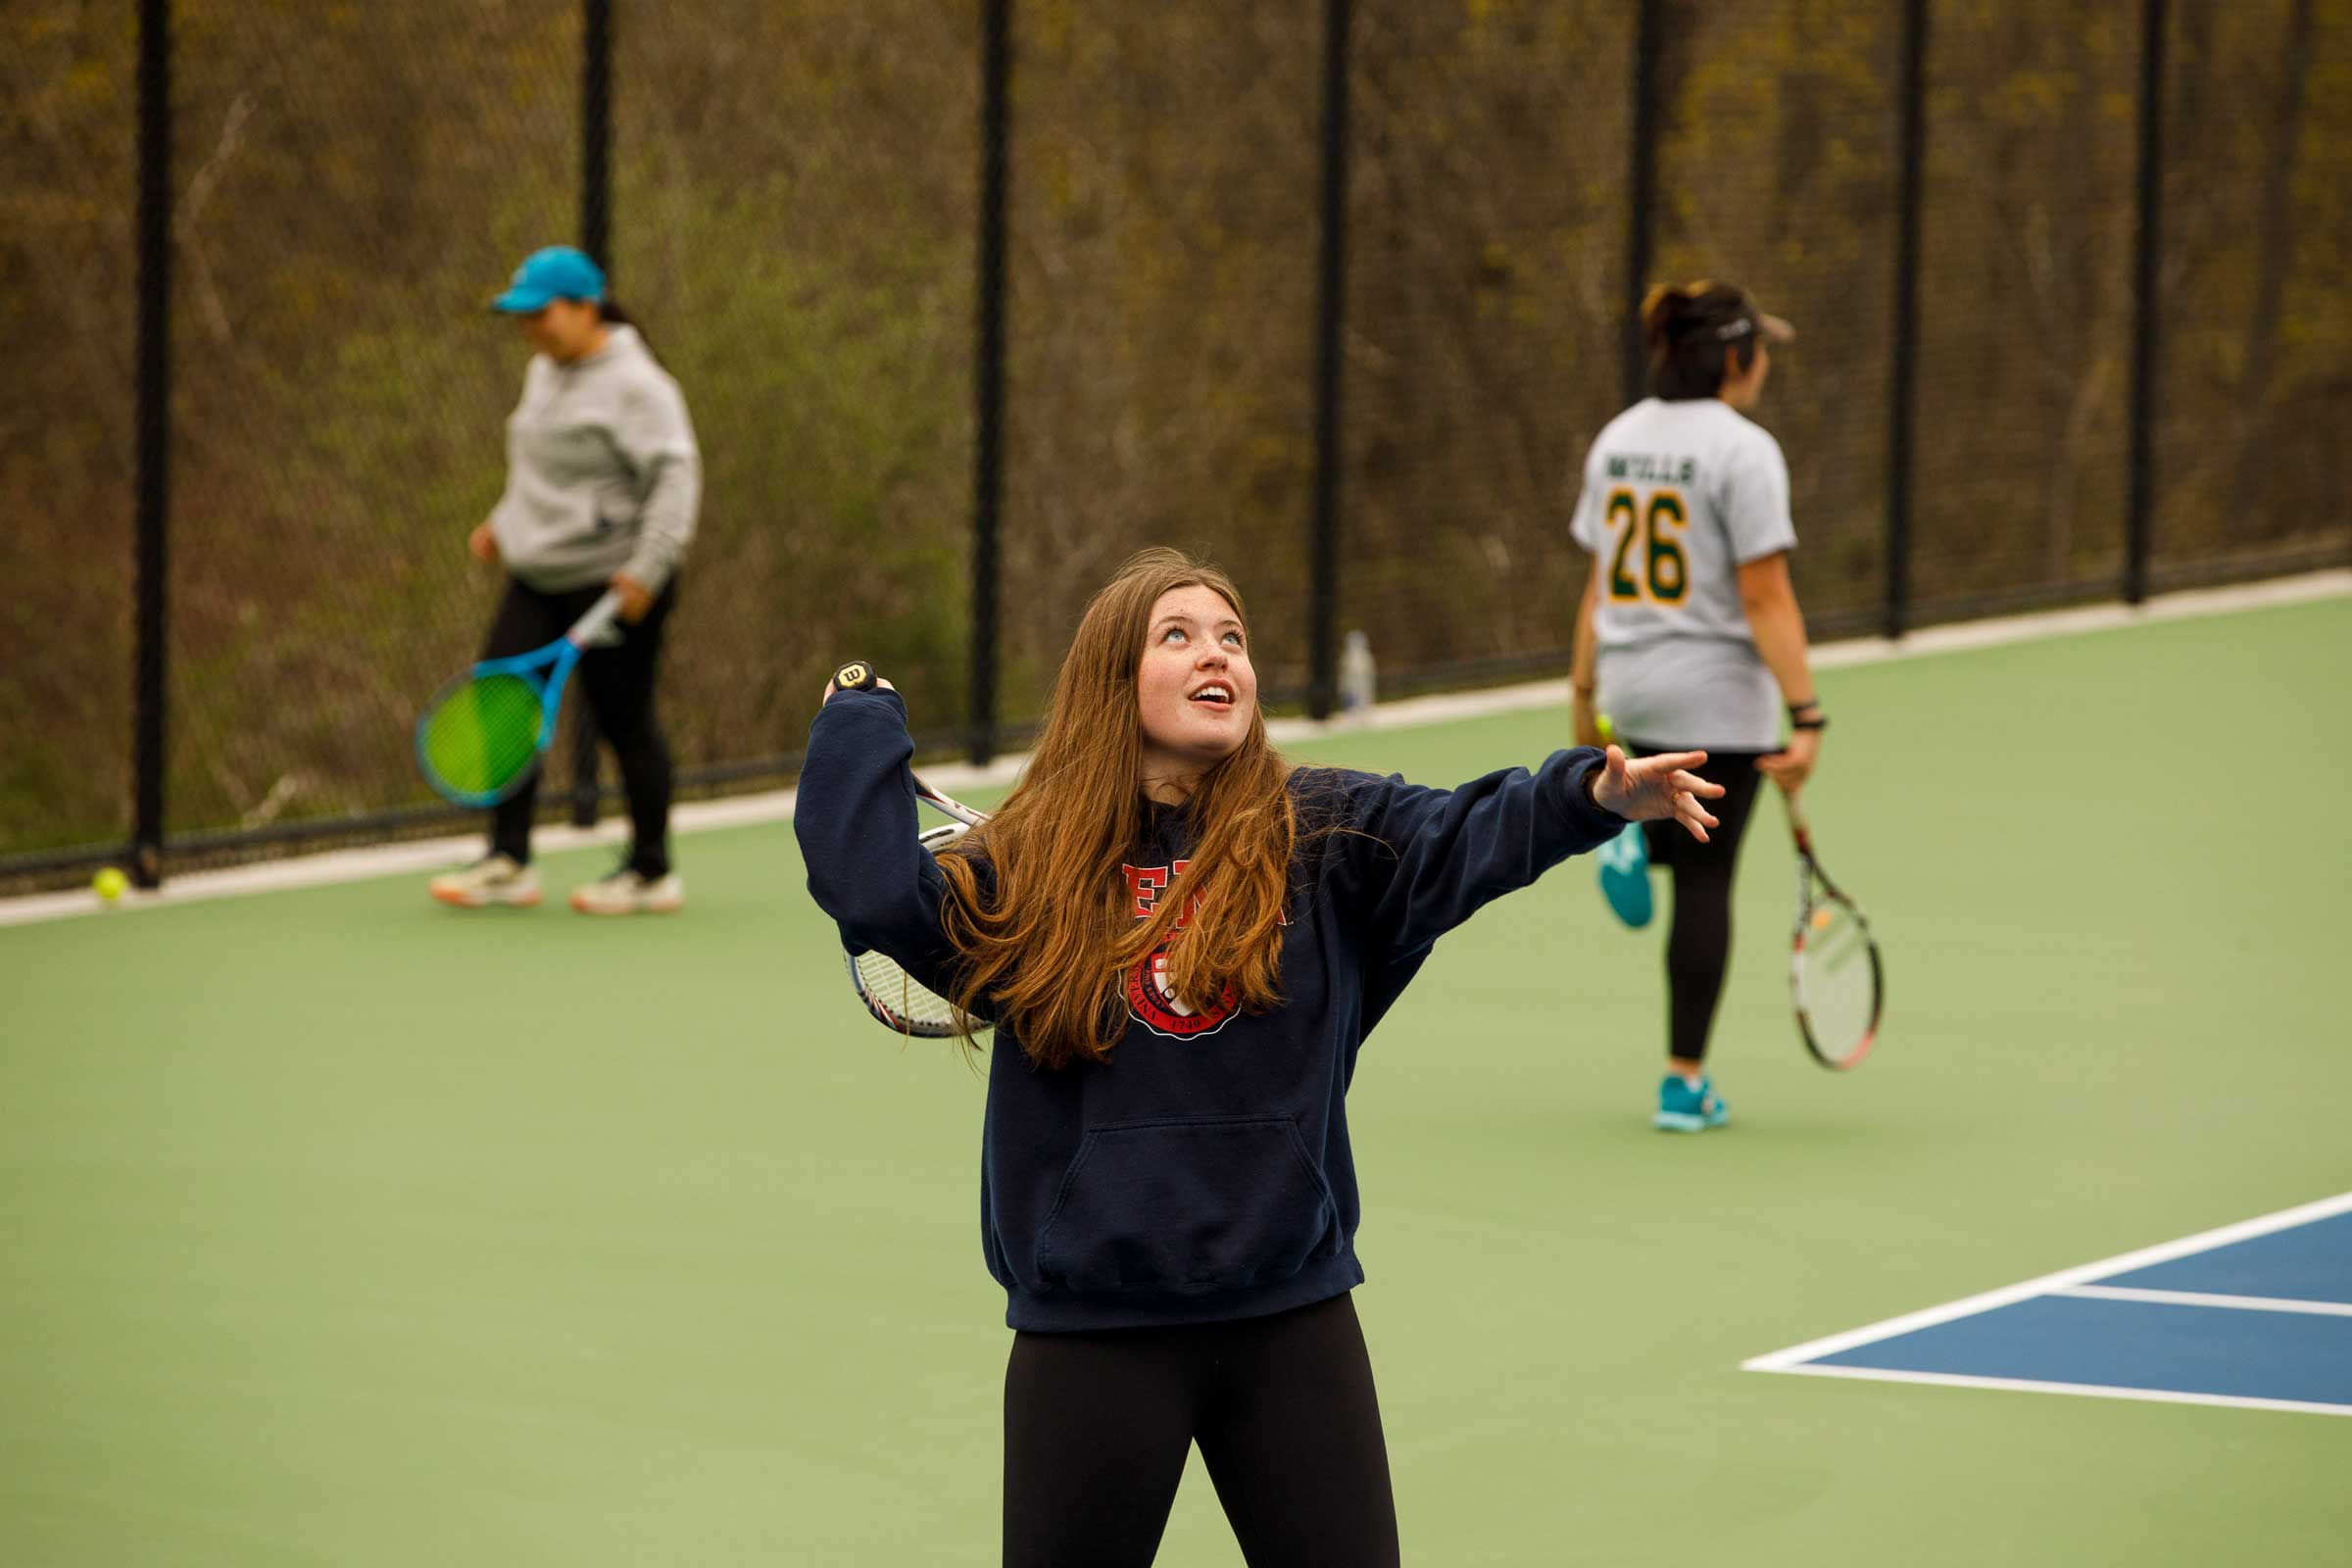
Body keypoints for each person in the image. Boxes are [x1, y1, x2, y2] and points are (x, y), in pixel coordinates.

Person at [797, 548, 1725, 1565]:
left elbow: (1465, 832)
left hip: (1293, 1323)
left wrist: (1587, 796)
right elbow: (875, 889)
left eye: (1233, 638)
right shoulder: (1028, 871)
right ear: (1116, 678)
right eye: (1180, 635)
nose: (1219, 656)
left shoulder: (1324, 832)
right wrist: (858, 718)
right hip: (1092, 1338)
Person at [1566, 281, 1827, 1131]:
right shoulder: (1745, 450)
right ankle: (1682, 1083)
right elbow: (1766, 598)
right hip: (1718, 699)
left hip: (1631, 689)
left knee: (1673, 830)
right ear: (1737, 357)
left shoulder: (1617, 441)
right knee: (1708, 881)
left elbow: (1600, 579)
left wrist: (1582, 690)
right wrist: (1808, 715)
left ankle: (1632, 839)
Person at [428, 246, 701, 915]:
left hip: (613, 583)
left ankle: (650, 871)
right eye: (521, 317)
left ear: (586, 308)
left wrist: (646, 570)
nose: (530, 329)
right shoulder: (543, 371)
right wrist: (502, 521)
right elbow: (542, 471)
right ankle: (508, 860)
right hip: (538, 576)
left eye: (541, 314)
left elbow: (675, 476)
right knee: (501, 704)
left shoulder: (639, 386)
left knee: (623, 721)